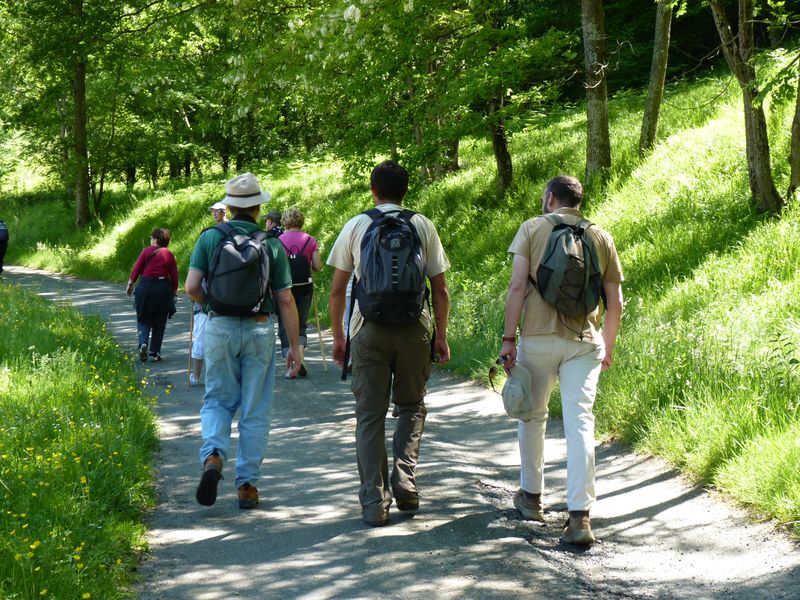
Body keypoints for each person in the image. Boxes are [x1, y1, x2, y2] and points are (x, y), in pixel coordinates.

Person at [500, 175, 623, 545]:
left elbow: (518, 287)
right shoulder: (600, 236)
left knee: (533, 416)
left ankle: (532, 497)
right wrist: (609, 347)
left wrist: (508, 339)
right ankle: (579, 517)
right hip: (584, 342)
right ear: (578, 201)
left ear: (550, 197)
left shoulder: (532, 228)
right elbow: (615, 303)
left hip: (537, 340)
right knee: (580, 423)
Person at [328, 160, 451, 527]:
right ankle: (405, 478)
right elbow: (440, 289)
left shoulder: (357, 225)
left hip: (368, 329)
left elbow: (337, 291)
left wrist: (339, 338)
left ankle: (373, 502)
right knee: (411, 407)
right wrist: (440, 336)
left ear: (373, 190)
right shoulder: (422, 225)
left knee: (369, 415)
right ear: (405, 190)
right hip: (415, 328)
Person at [185, 172, 301, 510]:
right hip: (259, 328)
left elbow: (192, 287)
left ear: (230, 206)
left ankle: (213, 457)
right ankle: (247, 485)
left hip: (219, 326)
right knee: (255, 408)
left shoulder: (210, 238)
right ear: (257, 207)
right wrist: (293, 347)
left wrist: (211, 304)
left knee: (217, 400)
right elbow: (285, 300)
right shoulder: (272, 243)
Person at [277, 207, 323, 378]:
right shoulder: (310, 240)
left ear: (285, 221)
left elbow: (276, 268)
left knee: (285, 323)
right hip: (305, 286)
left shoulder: (279, 240)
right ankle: (300, 356)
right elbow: (318, 267)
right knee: (301, 323)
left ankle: (291, 365)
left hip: (285, 287)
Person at [189, 202, 229, 386]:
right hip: (224, 296)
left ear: (224, 212)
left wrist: (202, 301)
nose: (214, 214)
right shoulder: (231, 233)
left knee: (202, 338)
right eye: (213, 212)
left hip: (206, 300)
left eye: (217, 211)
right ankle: (203, 376)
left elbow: (194, 283)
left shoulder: (211, 237)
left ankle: (198, 376)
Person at [126, 228, 179, 362]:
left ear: (155, 240)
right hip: (163, 289)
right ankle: (154, 353)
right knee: (159, 322)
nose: (150, 240)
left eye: (151, 238)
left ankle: (143, 342)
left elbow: (137, 268)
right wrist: (173, 292)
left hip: (146, 287)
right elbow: (174, 276)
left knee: (143, 318)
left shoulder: (146, 251)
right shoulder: (169, 254)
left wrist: (130, 283)